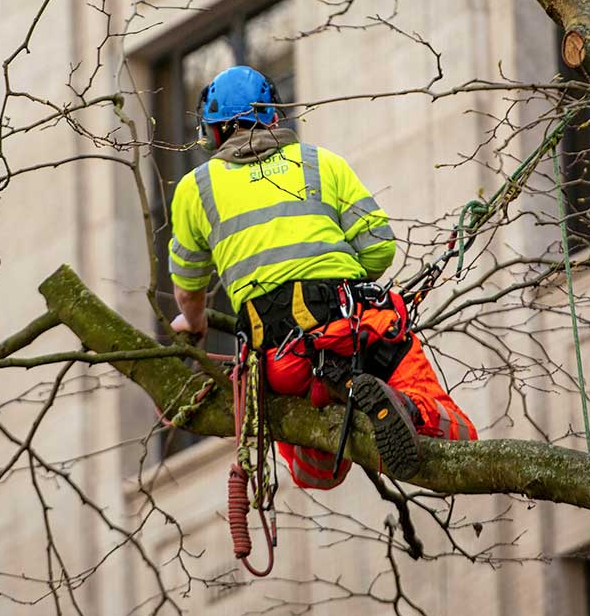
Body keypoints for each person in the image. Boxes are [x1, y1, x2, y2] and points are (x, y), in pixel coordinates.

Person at [168, 65, 476, 488]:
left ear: (216, 133)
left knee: (317, 474)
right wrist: (343, 275)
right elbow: (380, 247)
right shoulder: (320, 163)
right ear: (273, 116)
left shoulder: (194, 189)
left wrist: (196, 324)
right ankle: (404, 407)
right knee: (460, 436)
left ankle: (335, 395)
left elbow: (188, 289)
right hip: (356, 331)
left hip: (279, 362)